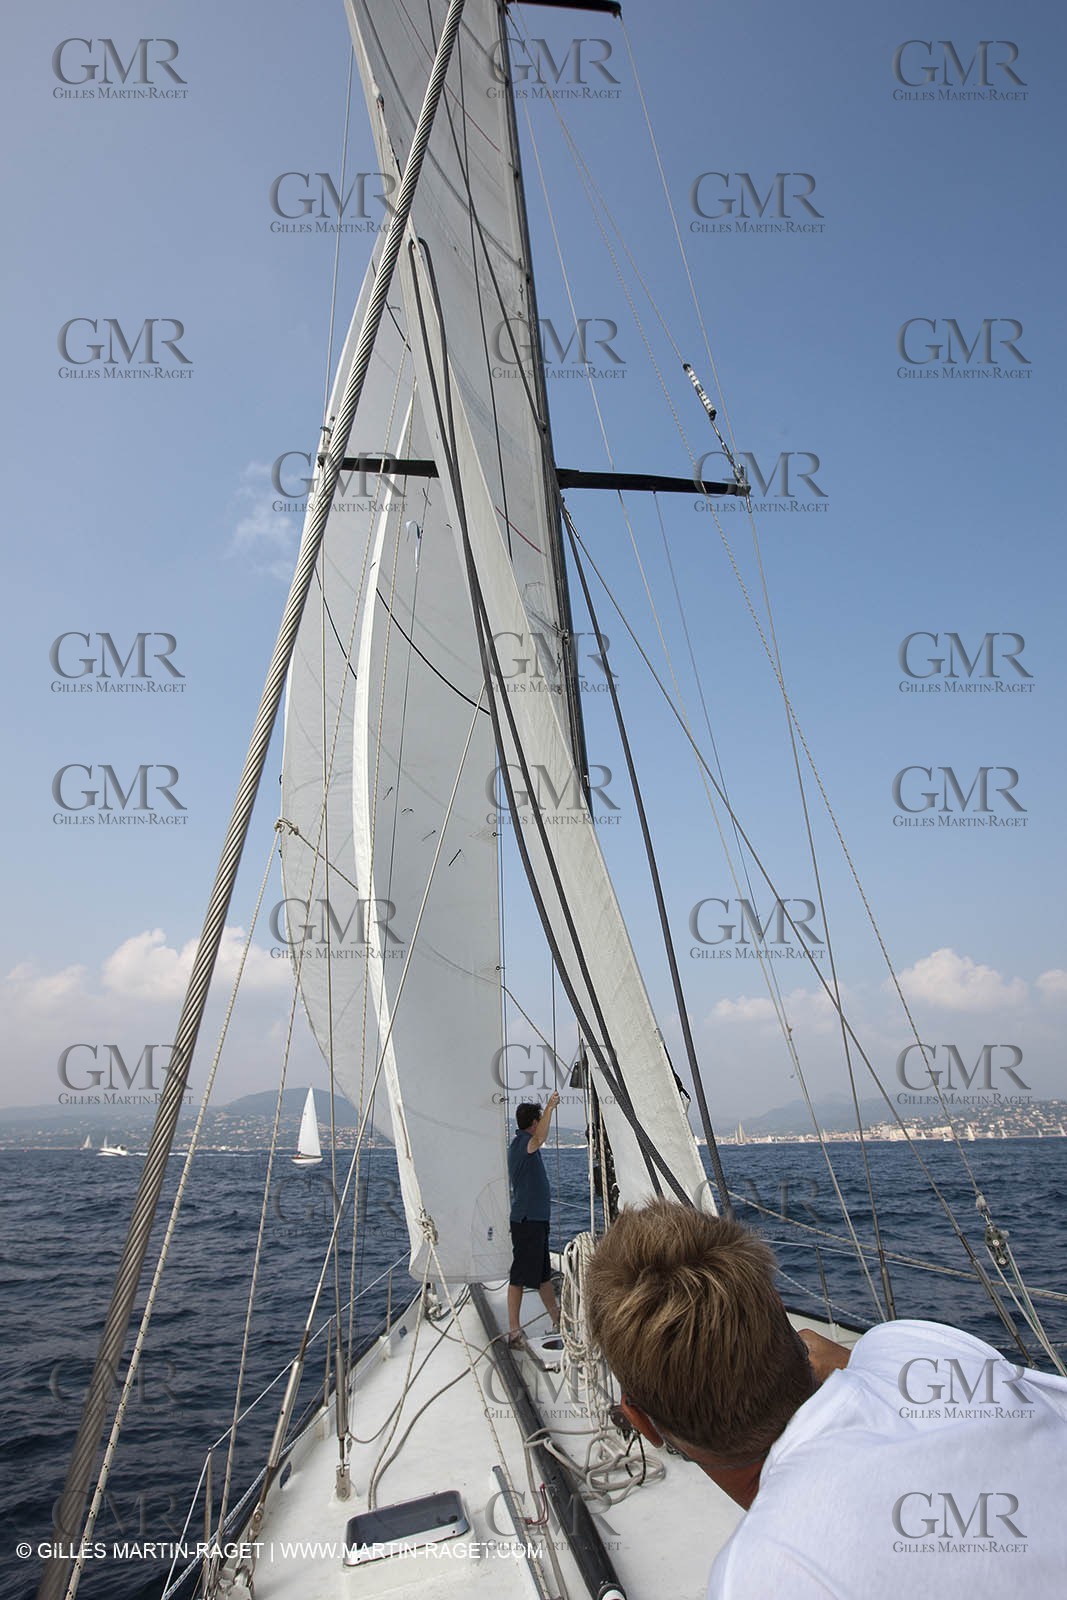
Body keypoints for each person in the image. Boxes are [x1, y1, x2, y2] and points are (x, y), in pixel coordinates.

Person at [585, 1197, 1067, 1596]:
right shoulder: (913, 1348)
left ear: (641, 1422)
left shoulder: (756, 1577)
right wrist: (851, 1364)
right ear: (781, 1313)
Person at [506, 1093, 561, 1346]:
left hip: (536, 1221)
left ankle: (557, 1320)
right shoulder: (523, 1144)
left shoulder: (525, 1145)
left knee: (541, 1276)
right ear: (533, 1123)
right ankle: (514, 1330)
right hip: (527, 1221)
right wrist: (550, 1107)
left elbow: (539, 1138)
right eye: (540, 1119)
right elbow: (540, 1138)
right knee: (519, 1275)